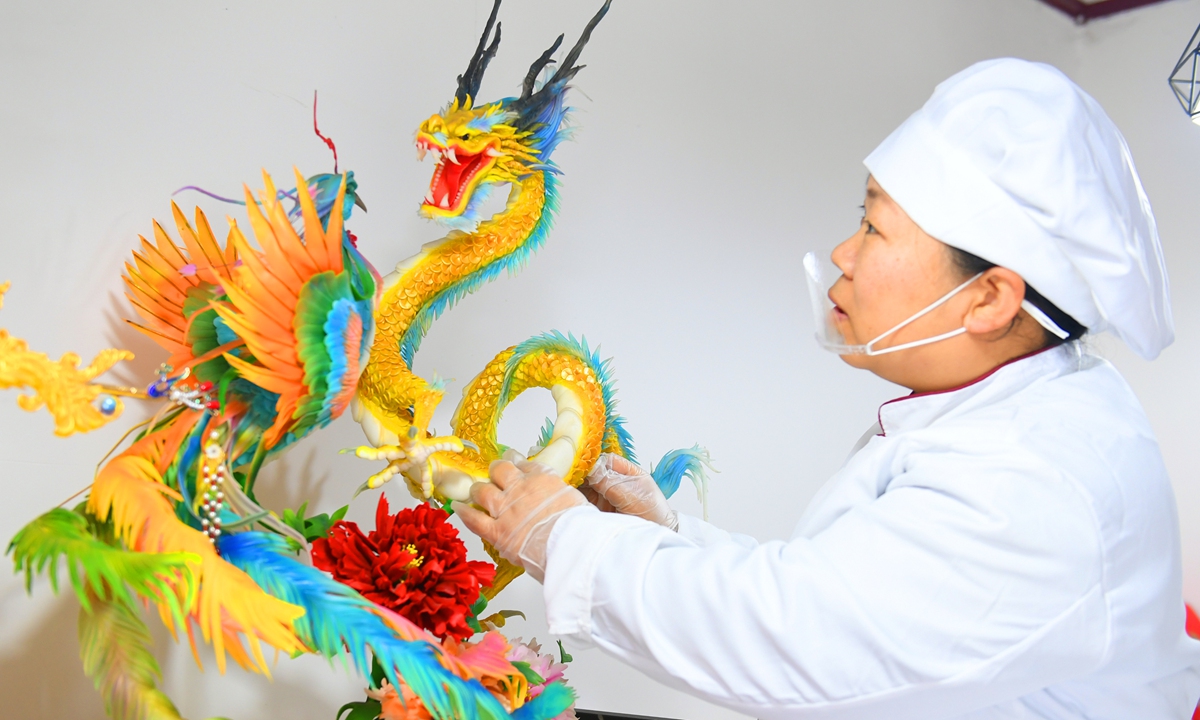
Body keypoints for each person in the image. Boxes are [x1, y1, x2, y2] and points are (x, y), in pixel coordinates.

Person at [453, 58, 1200, 718]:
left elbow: (795, 640)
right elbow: (847, 589)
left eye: (874, 228)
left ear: (989, 300)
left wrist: (570, 542)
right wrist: (668, 535)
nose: (844, 253)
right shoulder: (999, 410)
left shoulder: (1039, 482)